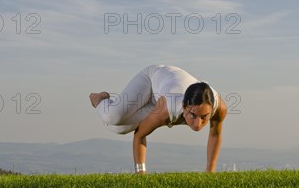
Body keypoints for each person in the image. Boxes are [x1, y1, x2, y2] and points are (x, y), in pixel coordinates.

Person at [89, 65, 228, 175]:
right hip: (151, 80)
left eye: (204, 117)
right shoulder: (167, 109)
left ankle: (113, 110)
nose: (198, 124)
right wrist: (141, 172)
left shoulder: (219, 108)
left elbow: (215, 134)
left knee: (119, 129)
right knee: (112, 118)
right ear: (184, 107)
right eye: (193, 116)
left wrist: (210, 172)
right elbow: (140, 135)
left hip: (162, 93)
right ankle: (98, 99)